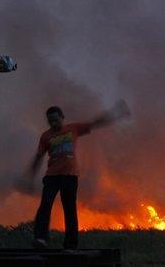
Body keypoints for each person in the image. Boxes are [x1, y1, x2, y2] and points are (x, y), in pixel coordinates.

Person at [25, 100, 130, 249]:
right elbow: (38, 157)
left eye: (55, 120)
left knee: (69, 209)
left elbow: (94, 123)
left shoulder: (72, 129)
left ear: (62, 117)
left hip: (70, 176)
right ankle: (41, 239)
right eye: (50, 121)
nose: (53, 123)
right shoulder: (45, 136)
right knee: (45, 206)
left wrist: (113, 115)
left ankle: (70, 245)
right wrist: (30, 176)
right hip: (52, 177)